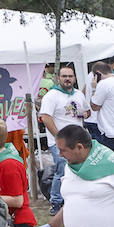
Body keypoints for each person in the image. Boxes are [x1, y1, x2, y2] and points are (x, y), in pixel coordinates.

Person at [38, 64, 88, 213]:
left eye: (70, 76)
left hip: (78, 141)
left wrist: (84, 114)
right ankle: (56, 202)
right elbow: (45, 118)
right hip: (59, 142)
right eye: (64, 76)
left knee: (80, 170)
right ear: (58, 78)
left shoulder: (78, 94)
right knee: (62, 170)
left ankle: (75, 199)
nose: (67, 79)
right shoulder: (51, 96)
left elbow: (86, 111)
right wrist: (59, 137)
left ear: (74, 78)